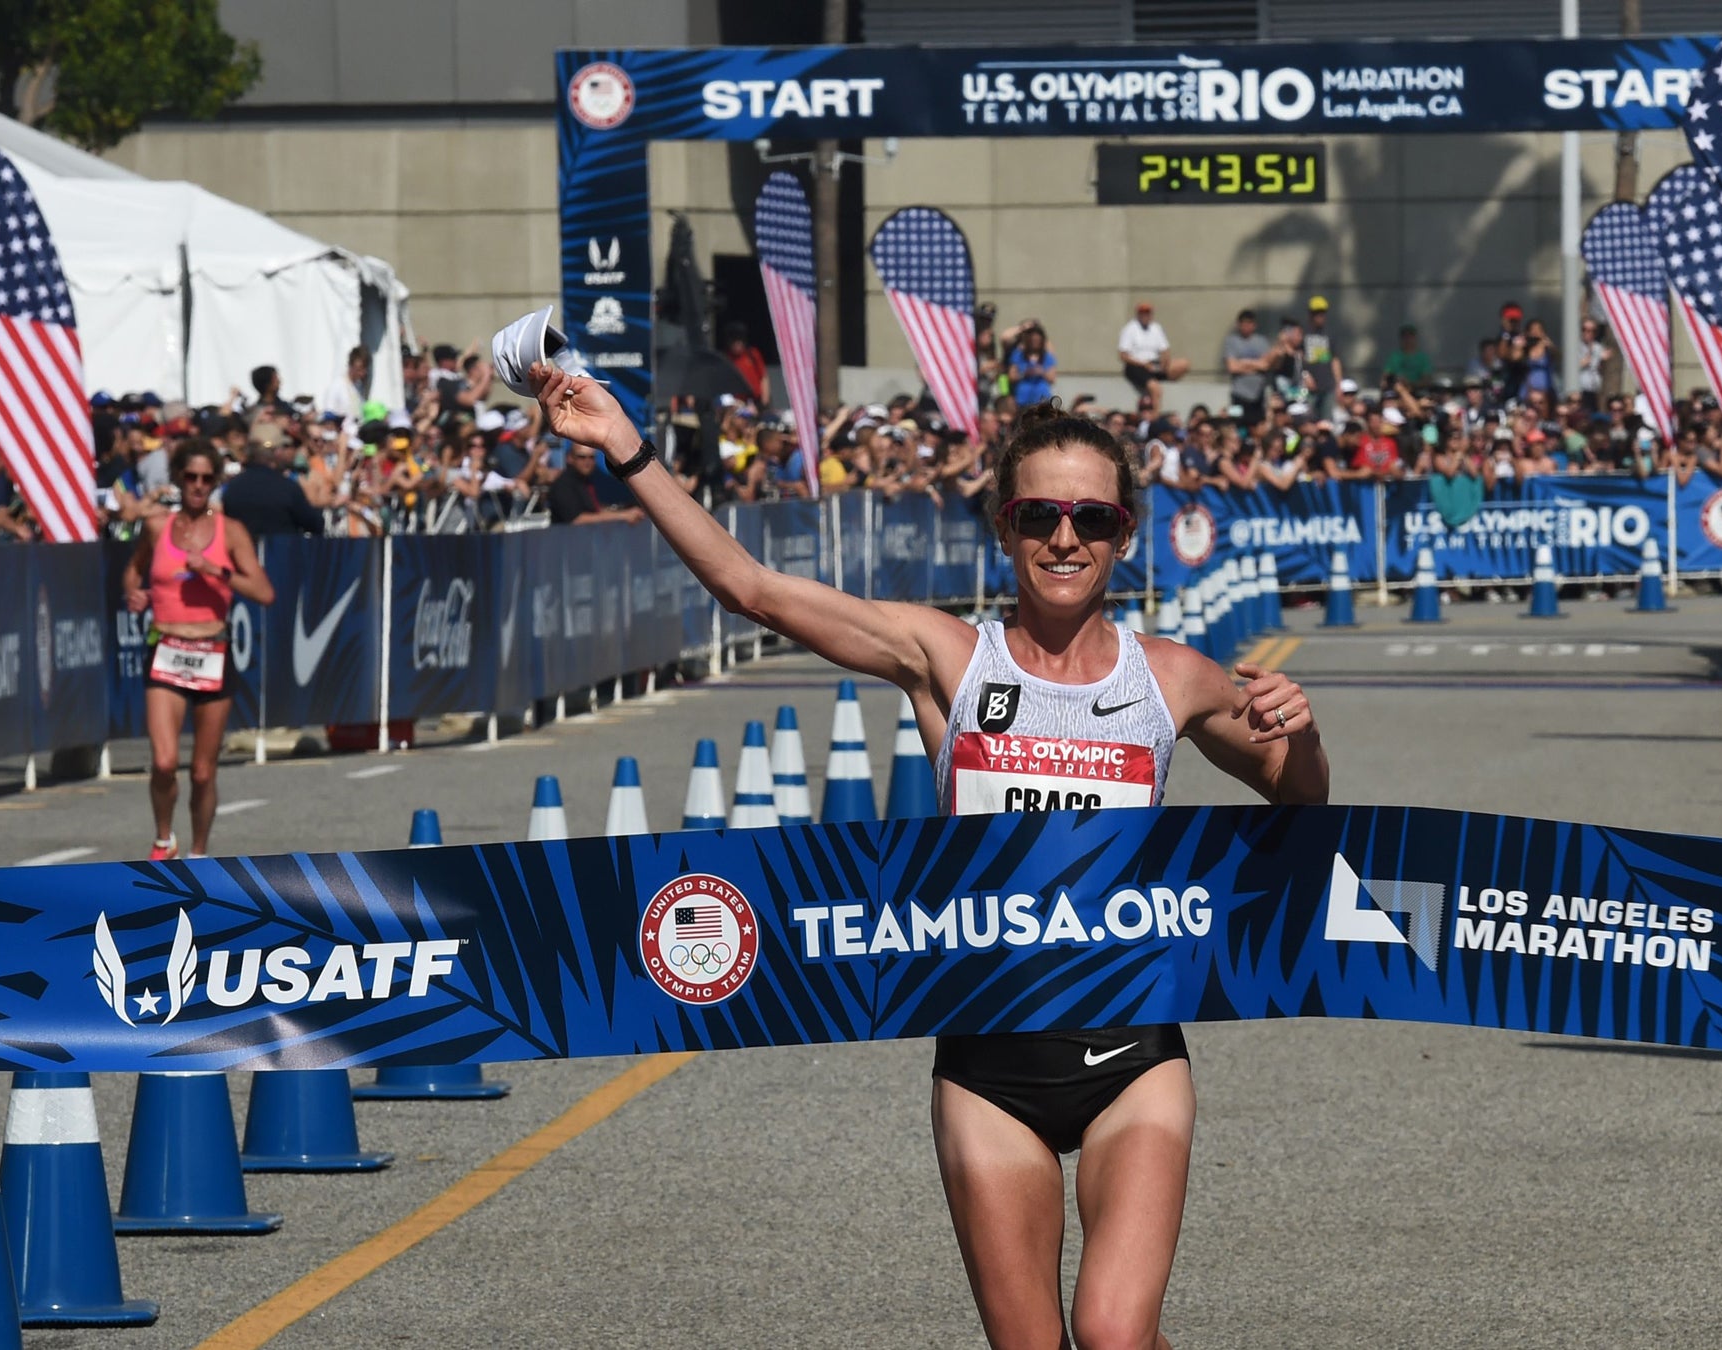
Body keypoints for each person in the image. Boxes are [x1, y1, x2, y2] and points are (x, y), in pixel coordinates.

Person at [528, 361, 1328, 1350]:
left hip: (1133, 1057)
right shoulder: (948, 658)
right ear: (1003, 527)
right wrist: (627, 448)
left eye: (1092, 518)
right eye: (1038, 516)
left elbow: (1299, 797)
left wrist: (1302, 733)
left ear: (1125, 534)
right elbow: (750, 588)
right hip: (988, 1066)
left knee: (1115, 1334)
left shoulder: (1172, 677)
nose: (1065, 538)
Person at [123, 441, 272, 861]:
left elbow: (264, 592)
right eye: (191, 477)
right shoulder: (157, 526)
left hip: (212, 652)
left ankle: (199, 853)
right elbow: (134, 570)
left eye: (207, 478)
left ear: (216, 482)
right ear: (178, 478)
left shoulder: (231, 531)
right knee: (164, 761)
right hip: (166, 648)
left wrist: (214, 570)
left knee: (203, 772)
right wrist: (134, 594)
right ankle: (164, 839)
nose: (198, 485)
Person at [1117, 302, 1187, 401]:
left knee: (1183, 364)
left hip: (1154, 364)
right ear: (1138, 314)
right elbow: (1123, 355)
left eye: (1147, 313)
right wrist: (1144, 364)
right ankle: (1154, 407)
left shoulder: (1156, 328)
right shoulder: (1130, 329)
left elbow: (1165, 349)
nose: (1145, 316)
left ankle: (1162, 383)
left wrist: (1164, 363)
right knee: (1155, 388)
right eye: (1142, 313)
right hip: (1137, 365)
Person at [1221, 309, 1272, 424]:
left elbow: (1266, 365)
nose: (1246, 326)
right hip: (1238, 394)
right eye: (1243, 323)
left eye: (1249, 323)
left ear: (1254, 325)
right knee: (1236, 423)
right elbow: (1232, 367)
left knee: (1258, 425)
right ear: (1238, 324)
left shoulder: (1262, 341)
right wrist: (1256, 365)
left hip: (1258, 395)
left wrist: (1244, 362)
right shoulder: (1231, 341)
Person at [1301, 296, 1342, 401]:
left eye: (1322, 313)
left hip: (1328, 387)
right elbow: (1298, 357)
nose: (1320, 316)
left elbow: (1334, 360)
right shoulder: (1302, 333)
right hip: (1308, 387)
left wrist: (1339, 384)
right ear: (1310, 314)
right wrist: (1305, 375)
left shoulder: (1329, 333)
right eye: (1317, 313)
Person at [1008, 326, 1058, 408]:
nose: (1034, 343)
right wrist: (1025, 373)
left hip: (1042, 399)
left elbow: (1052, 379)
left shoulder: (1047, 357)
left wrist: (1041, 372)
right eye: (1032, 340)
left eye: (1037, 340)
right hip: (1023, 399)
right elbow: (1011, 377)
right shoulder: (1018, 355)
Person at [1381, 324, 1432, 389]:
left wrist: (1410, 384)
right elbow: (1385, 377)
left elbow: (1427, 380)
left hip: (1417, 390)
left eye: (1410, 336)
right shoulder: (1394, 357)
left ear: (1415, 338)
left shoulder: (1423, 358)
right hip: (1397, 390)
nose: (1408, 340)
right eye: (1405, 337)